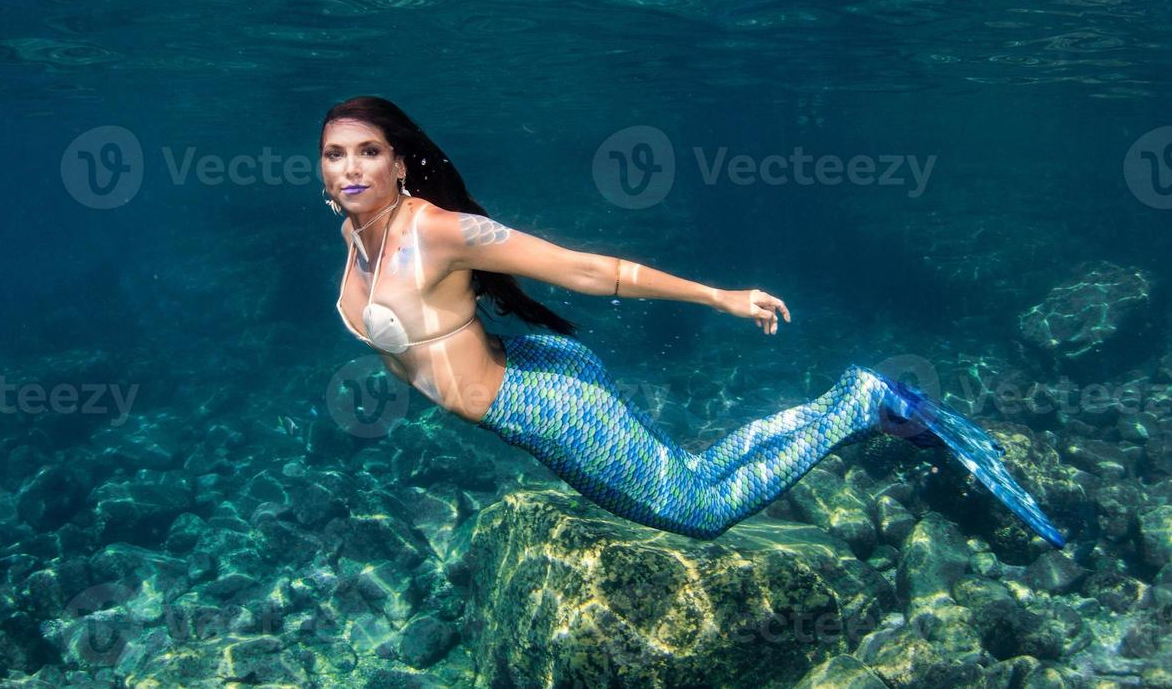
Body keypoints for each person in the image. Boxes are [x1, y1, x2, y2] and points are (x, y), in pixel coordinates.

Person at [319, 95, 1067, 547]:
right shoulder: (356, 227)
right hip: (528, 367)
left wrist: (720, 297)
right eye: (335, 156)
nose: (350, 169)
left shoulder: (438, 231)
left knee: (699, 513)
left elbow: (590, 270)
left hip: (541, 405)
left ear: (401, 162)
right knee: (693, 473)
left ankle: (863, 405)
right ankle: (856, 397)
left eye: (369, 153)